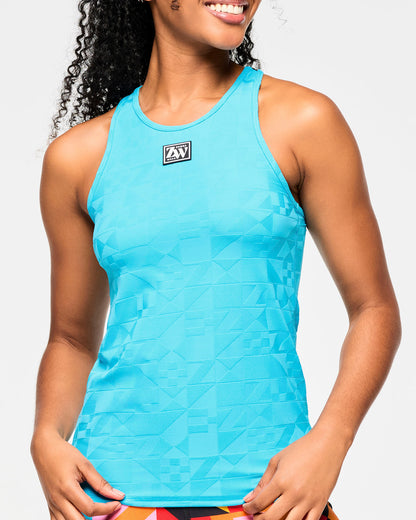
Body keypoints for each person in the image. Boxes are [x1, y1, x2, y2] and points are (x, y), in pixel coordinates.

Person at [30, 0, 402, 519]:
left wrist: (332, 439)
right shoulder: (77, 158)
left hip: (269, 495)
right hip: (113, 496)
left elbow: (374, 309)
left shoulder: (301, 122)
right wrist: (46, 438)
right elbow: (70, 339)